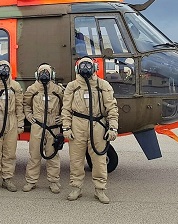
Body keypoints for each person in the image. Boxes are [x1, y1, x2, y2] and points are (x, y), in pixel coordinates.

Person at [61, 57, 119, 204]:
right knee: (76, 159)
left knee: (99, 160)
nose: (85, 68)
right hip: (77, 124)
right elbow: (66, 109)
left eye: (88, 65)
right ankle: (76, 188)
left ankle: (100, 189)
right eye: (82, 65)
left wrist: (113, 127)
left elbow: (112, 108)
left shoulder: (103, 85)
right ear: (77, 69)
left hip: (97, 125)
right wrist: (66, 127)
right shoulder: (72, 87)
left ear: (94, 68)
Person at [22, 63, 65, 194]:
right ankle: (31, 181)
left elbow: (67, 105)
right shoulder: (32, 89)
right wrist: (28, 115)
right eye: (42, 72)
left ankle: (54, 182)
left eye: (47, 71)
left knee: (53, 156)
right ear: (37, 74)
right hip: (38, 126)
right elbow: (25, 104)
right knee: (34, 155)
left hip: (54, 127)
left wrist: (62, 117)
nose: (44, 74)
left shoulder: (58, 90)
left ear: (52, 74)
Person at [0, 60, 24, 192]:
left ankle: (7, 179)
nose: (4, 70)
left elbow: (20, 106)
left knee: (9, 152)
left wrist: (20, 123)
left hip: (11, 120)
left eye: (6, 68)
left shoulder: (15, 86)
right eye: (1, 68)